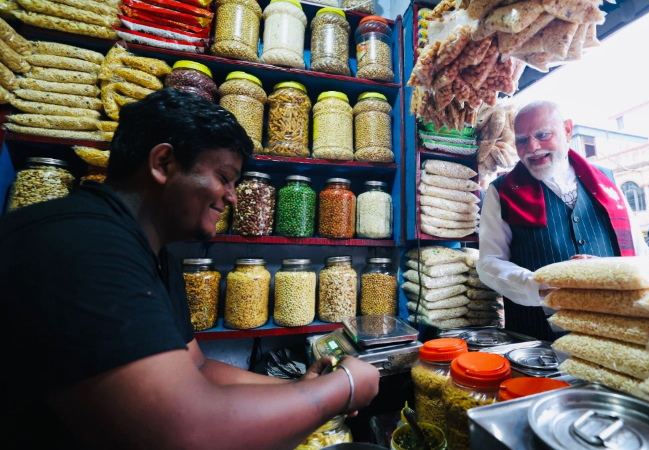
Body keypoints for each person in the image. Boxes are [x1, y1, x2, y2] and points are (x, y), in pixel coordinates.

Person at [0, 89, 380, 449]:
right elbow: (186, 435)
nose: (232, 196)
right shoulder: (82, 242)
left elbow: (196, 366)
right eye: (224, 177)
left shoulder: (154, 250)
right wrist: (342, 387)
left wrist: (297, 387)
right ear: (163, 163)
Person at [477, 101, 649, 340]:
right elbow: (489, 262)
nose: (533, 147)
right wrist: (538, 285)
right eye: (522, 140)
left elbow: (640, 253)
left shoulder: (607, 181)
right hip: (536, 337)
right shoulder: (502, 191)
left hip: (614, 330)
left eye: (542, 135)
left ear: (568, 130)